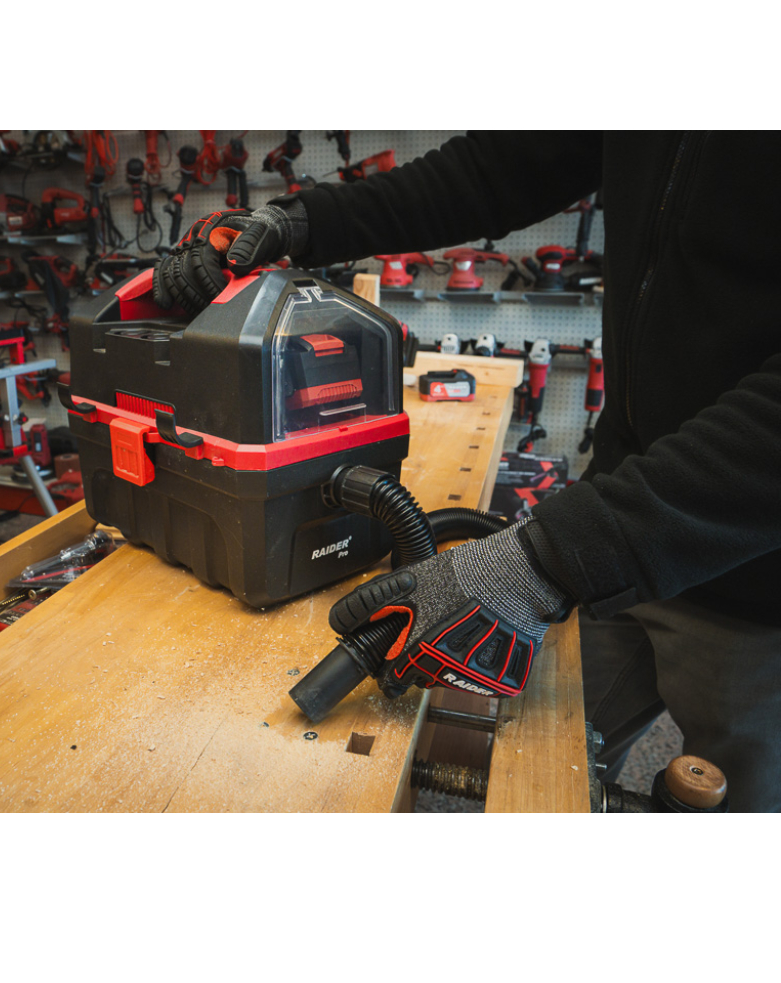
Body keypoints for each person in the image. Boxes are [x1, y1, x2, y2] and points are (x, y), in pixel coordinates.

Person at [151, 131, 781, 813]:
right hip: (621, 529)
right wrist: (302, 224)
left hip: (757, 583)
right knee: (554, 777)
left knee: (743, 800)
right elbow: (496, 170)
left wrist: (553, 558)